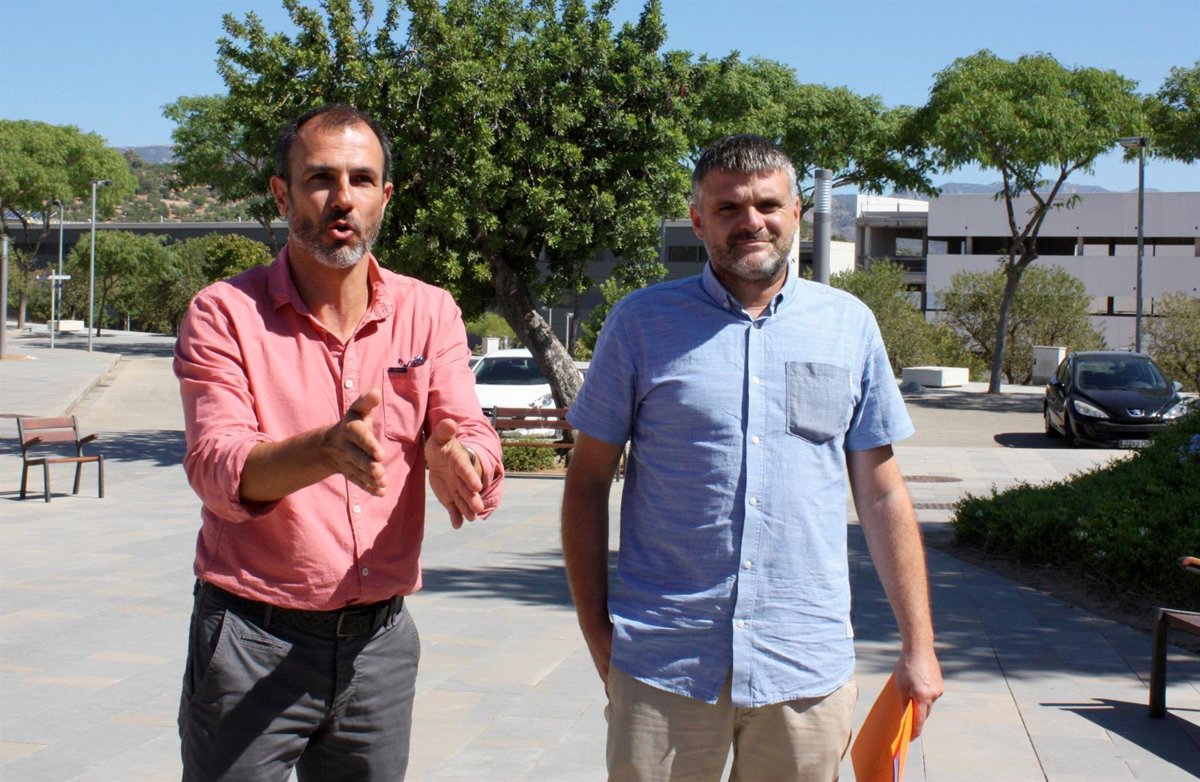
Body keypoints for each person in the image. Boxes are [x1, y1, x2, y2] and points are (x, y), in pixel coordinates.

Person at [561, 134, 943, 781]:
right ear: (697, 220)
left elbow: (882, 493)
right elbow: (588, 480)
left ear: (797, 212)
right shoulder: (640, 324)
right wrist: (595, 625)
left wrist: (920, 647)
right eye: (728, 208)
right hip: (666, 662)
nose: (751, 222)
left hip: (805, 666)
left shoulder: (849, 326)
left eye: (767, 205)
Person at [173, 104, 504, 781]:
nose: (342, 198)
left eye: (362, 179)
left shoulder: (429, 311)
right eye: (321, 178)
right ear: (282, 194)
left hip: (379, 648)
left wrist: (463, 459)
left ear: (385, 196)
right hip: (251, 639)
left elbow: (466, 428)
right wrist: (322, 451)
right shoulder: (224, 313)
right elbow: (216, 465)